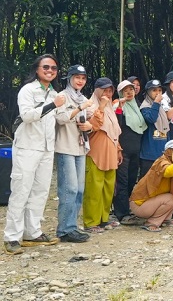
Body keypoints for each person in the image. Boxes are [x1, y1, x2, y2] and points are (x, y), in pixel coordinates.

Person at [4, 55, 66, 255]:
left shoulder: (55, 93)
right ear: (37, 69)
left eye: (54, 68)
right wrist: (52, 105)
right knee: (21, 190)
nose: (50, 70)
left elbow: (61, 118)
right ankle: (12, 237)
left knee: (40, 192)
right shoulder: (28, 90)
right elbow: (27, 116)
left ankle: (33, 232)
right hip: (27, 147)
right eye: (46, 67)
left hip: (47, 148)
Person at [53, 65, 94, 243]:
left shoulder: (83, 98)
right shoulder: (62, 96)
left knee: (79, 190)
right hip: (64, 147)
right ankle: (64, 230)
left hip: (80, 147)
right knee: (68, 189)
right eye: (77, 77)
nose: (80, 81)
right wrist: (80, 108)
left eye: (83, 78)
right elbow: (61, 119)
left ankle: (72, 226)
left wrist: (89, 127)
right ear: (69, 78)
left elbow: (87, 122)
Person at [83, 77, 123, 233]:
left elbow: (114, 130)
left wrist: (118, 149)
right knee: (94, 187)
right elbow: (94, 125)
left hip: (111, 150)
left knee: (108, 187)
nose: (107, 94)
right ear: (97, 90)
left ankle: (104, 219)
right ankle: (91, 222)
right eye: (104, 90)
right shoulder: (89, 106)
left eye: (109, 91)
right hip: (96, 152)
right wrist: (101, 106)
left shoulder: (110, 109)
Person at [129, 140, 173, 232]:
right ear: (168, 151)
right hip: (140, 205)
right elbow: (168, 172)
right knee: (171, 198)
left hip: (152, 202)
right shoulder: (161, 162)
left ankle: (165, 219)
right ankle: (151, 223)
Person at [112, 79, 143, 226]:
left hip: (135, 150)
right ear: (120, 92)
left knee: (131, 180)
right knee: (122, 182)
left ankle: (128, 209)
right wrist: (119, 107)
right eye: (125, 90)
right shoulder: (118, 106)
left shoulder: (136, 106)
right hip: (122, 151)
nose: (129, 92)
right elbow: (116, 126)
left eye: (131, 89)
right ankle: (121, 213)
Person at [139, 80, 170, 175]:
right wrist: (156, 103)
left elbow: (165, 128)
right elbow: (151, 118)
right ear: (148, 92)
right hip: (149, 153)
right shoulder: (145, 107)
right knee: (146, 181)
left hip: (161, 151)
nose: (157, 93)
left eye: (159, 90)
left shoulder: (161, 107)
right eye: (154, 90)